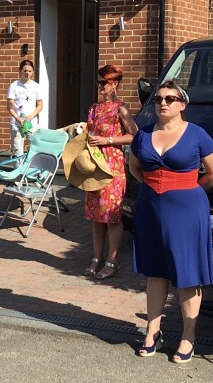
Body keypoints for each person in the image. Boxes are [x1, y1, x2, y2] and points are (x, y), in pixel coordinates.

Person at [128, 80, 213, 363]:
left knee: (186, 272)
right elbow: (135, 167)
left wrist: (191, 191)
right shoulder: (143, 134)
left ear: (183, 104)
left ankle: (188, 336)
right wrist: (151, 187)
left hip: (186, 209)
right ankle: (152, 331)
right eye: (158, 99)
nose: (163, 103)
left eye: (170, 98)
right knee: (156, 271)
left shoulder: (197, 134)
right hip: (150, 208)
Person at [83, 65, 138, 280]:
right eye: (98, 83)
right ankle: (96, 259)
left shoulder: (120, 108)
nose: (99, 86)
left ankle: (112, 261)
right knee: (96, 216)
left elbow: (135, 136)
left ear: (114, 84)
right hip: (94, 165)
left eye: (102, 83)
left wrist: (108, 140)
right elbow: (89, 133)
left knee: (112, 216)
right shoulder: (94, 108)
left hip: (112, 167)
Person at [7, 60, 43, 156]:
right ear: (20, 71)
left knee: (34, 148)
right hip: (17, 122)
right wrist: (17, 118)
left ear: (33, 72)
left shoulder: (36, 86)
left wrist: (31, 116)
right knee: (17, 150)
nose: (27, 73)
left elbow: (40, 105)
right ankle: (18, 170)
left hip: (32, 122)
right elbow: (10, 107)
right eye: (25, 70)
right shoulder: (14, 86)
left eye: (30, 71)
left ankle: (32, 170)